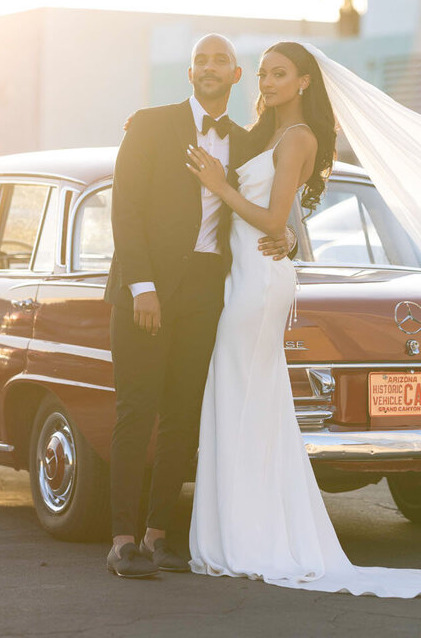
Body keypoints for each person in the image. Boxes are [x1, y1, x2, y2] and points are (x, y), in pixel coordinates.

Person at [184, 41, 421, 597]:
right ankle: (246, 532)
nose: (266, 82)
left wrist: (220, 187)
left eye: (279, 74)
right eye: (262, 74)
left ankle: (251, 538)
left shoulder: (299, 139)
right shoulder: (263, 135)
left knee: (247, 402)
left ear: (305, 82)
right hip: (243, 277)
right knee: (244, 403)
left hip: (260, 284)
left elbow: (272, 219)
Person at [103, 34, 293, 578]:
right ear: (189, 75)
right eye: (200, 61)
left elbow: (267, 208)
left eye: (221, 61)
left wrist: (289, 241)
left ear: (237, 76)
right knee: (136, 413)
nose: (210, 68)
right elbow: (127, 209)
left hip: (208, 294)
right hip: (146, 292)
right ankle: (121, 541)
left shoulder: (248, 141)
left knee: (184, 416)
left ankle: (160, 535)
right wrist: (142, 286)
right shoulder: (149, 124)